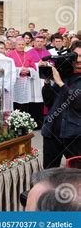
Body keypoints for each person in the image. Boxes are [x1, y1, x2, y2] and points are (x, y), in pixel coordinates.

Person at [41, 40, 81, 169]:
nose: (78, 60)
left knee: (76, 176)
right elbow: (49, 102)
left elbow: (78, 103)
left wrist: (60, 83)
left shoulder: (62, 79)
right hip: (52, 133)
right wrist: (47, 81)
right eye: (76, 56)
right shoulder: (64, 74)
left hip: (75, 136)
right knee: (48, 175)